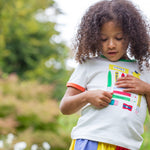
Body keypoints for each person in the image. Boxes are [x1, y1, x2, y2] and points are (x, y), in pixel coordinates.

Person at [59, 0, 150, 149]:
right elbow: (65, 107)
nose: (111, 45)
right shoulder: (88, 65)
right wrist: (87, 96)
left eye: (118, 38)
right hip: (91, 141)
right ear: (94, 38)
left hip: (128, 146)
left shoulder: (144, 69)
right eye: (103, 39)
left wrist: (147, 89)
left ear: (131, 36)